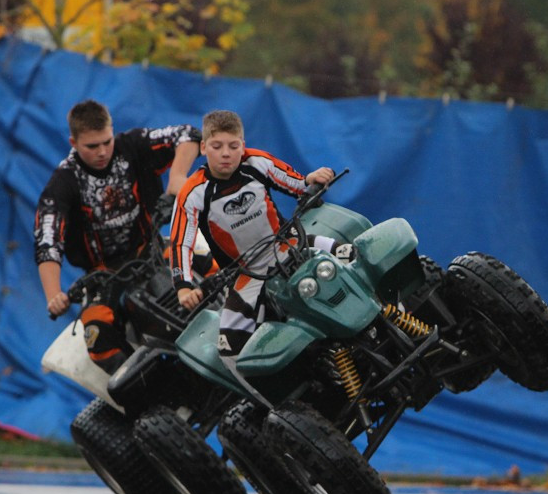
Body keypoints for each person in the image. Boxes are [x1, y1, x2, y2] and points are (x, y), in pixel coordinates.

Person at [169, 109, 349, 368]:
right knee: (229, 353)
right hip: (246, 273)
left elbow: (295, 183)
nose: (226, 153)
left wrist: (313, 178)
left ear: (243, 145)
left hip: (288, 245)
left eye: (233, 145)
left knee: (352, 255)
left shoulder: (256, 162)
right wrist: (183, 286)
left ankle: (399, 315)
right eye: (217, 146)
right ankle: (277, 405)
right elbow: (180, 242)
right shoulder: (192, 193)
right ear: (203, 147)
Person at [34, 99, 201, 373]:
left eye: (106, 142)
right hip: (103, 275)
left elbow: (189, 134)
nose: (102, 152)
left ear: (113, 132)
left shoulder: (131, 145)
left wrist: (178, 176)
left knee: (217, 265)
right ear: (73, 142)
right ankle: (153, 399)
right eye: (92, 146)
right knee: (99, 339)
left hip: (152, 249)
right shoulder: (62, 183)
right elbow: (47, 241)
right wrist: (54, 295)